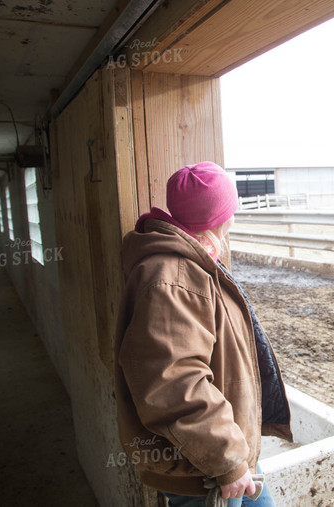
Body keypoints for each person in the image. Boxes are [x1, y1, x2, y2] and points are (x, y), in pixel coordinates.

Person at [114, 161, 293, 506]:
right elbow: (175, 382)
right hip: (204, 469)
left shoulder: (192, 264)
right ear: (220, 217)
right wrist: (226, 461)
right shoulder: (175, 278)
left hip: (216, 457)